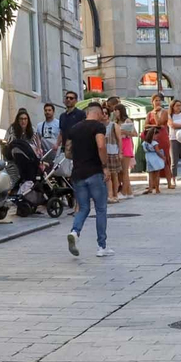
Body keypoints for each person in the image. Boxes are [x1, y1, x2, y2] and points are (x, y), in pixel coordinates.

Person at [65, 102, 111, 259]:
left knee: (83, 208)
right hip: (94, 172)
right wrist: (104, 166)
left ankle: (74, 232)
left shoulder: (74, 128)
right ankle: (101, 246)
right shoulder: (98, 127)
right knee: (100, 209)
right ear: (97, 113)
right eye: (102, 114)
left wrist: (80, 155)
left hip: (77, 173)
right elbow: (101, 145)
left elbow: (67, 152)